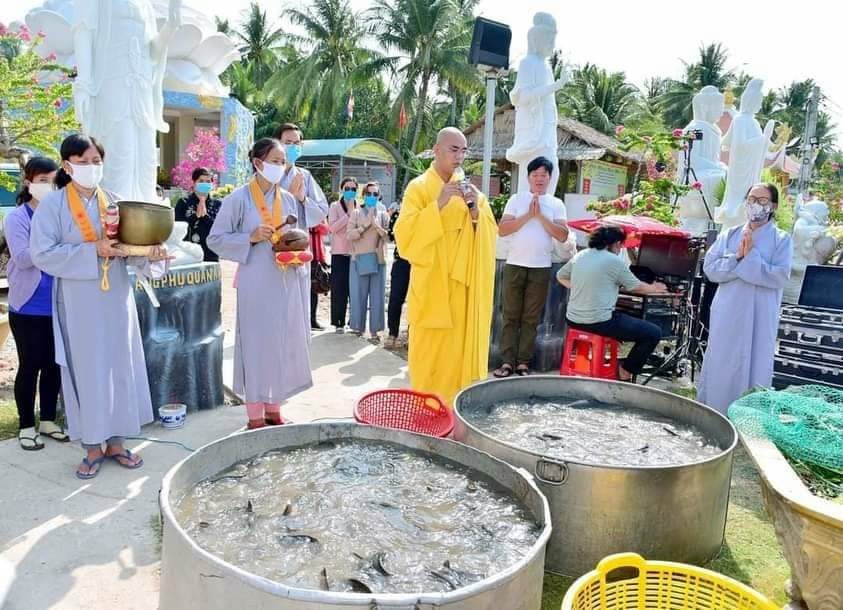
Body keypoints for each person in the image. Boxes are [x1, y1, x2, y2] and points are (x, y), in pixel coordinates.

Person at [29, 134, 169, 479]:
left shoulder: (117, 203)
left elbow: (133, 251)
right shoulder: (54, 206)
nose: (91, 168)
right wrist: (93, 250)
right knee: (88, 371)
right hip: (78, 301)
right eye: (83, 161)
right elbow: (42, 254)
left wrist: (152, 255)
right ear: (67, 165)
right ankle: (92, 446)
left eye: (96, 162)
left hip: (117, 298)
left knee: (120, 366)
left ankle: (117, 441)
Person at [207, 138, 312, 429]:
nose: (280, 167)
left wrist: (298, 250)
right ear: (258, 163)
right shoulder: (238, 199)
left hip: (285, 279)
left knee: (279, 342)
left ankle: (274, 408)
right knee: (255, 344)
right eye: (275, 161)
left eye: (282, 162)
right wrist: (248, 238)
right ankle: (254, 414)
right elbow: (215, 240)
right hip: (255, 280)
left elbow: (293, 237)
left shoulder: (288, 200)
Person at [394, 127, 497, 404]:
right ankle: (427, 410)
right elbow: (404, 239)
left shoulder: (471, 191)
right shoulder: (418, 189)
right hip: (432, 287)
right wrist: (438, 204)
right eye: (454, 149)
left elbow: (488, 232)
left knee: (458, 354)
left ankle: (455, 412)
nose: (460, 156)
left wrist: (476, 212)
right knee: (429, 355)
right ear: (436, 150)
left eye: (464, 151)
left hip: (462, 289)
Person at [697, 183, 793, 414]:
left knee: (756, 360)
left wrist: (750, 257)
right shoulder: (728, 235)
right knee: (722, 357)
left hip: (761, 312)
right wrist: (737, 257)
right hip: (729, 309)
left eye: (762, 201)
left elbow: (779, 277)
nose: (755, 206)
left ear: (773, 206)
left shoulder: (782, 239)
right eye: (751, 199)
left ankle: (750, 415)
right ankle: (715, 408)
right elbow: (711, 270)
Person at [5, 157, 66, 451]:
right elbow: (23, 258)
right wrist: (56, 248)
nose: (47, 186)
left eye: (52, 181)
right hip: (28, 306)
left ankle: (48, 420)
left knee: (54, 364)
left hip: (59, 303)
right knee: (31, 365)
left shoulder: (60, 214)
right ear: (29, 182)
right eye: (42, 180)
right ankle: (26, 425)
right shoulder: (17, 218)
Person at [557, 226, 667, 382]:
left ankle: (608, 364)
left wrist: (581, 287)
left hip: (573, 319)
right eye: (621, 245)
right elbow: (637, 287)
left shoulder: (581, 255)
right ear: (615, 244)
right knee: (653, 332)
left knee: (623, 319)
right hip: (598, 321)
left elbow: (560, 276)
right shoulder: (613, 260)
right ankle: (625, 371)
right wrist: (658, 289)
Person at [494, 156, 569, 377]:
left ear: (550, 177)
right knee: (510, 315)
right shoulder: (517, 200)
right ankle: (507, 362)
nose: (539, 179)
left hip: (541, 267)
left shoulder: (556, 204)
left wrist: (541, 217)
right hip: (515, 264)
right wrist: (528, 215)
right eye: (535, 174)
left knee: (530, 317)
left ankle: (523, 362)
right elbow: (503, 229)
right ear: (528, 177)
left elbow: (563, 235)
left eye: (543, 175)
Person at [274, 123, 330, 329]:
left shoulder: (304, 176)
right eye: (287, 143)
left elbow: (321, 211)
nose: (292, 147)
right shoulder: (268, 175)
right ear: (276, 144)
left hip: (298, 247)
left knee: (298, 299)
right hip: (272, 246)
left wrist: (302, 197)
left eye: (296, 143)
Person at [347, 182, 390, 343]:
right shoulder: (356, 213)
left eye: (375, 194)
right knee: (358, 294)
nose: (372, 197)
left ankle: (375, 330)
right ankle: (358, 327)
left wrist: (378, 227)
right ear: (364, 195)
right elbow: (349, 235)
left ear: (378, 196)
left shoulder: (383, 213)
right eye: (369, 194)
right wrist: (364, 226)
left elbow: (388, 237)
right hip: (359, 259)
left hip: (378, 259)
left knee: (378, 296)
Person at [328, 177, 358, 332]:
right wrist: (349, 215)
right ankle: (338, 322)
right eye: (347, 189)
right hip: (339, 253)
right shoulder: (334, 206)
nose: (350, 192)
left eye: (353, 189)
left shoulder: (360, 207)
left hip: (355, 254)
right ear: (342, 190)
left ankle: (354, 321)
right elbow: (332, 228)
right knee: (339, 289)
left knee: (354, 289)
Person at [174, 167, 222, 262]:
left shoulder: (217, 205)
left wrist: (204, 214)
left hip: (211, 253)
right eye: (201, 181)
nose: (205, 184)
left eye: (208, 181)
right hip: (188, 254)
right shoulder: (183, 202)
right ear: (194, 182)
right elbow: (179, 228)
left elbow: (219, 229)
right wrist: (196, 215)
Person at [386, 200, 410, 350]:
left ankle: (412, 335)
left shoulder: (426, 215)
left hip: (420, 263)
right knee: (395, 299)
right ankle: (392, 333)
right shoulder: (397, 215)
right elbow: (391, 235)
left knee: (416, 302)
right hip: (401, 261)